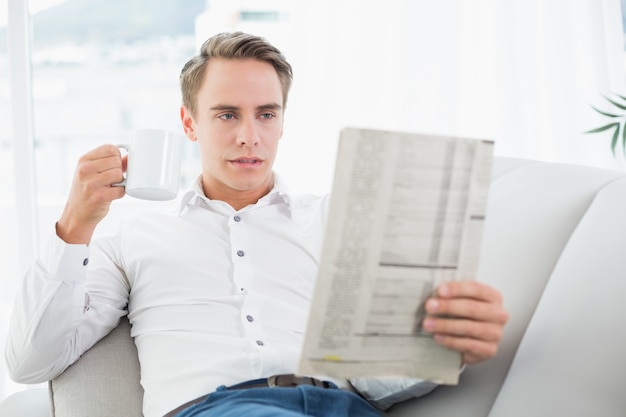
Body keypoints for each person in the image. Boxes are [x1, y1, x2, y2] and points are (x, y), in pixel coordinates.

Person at [5, 32, 509, 417]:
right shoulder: (130, 237)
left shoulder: (333, 219)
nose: (250, 136)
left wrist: (443, 346)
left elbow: (371, 380)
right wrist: (75, 223)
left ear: (283, 121)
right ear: (189, 123)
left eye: (266, 114)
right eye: (226, 115)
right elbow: (31, 362)